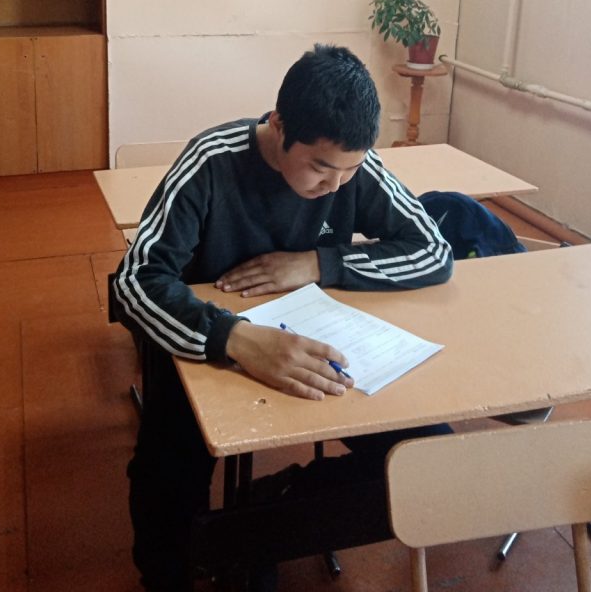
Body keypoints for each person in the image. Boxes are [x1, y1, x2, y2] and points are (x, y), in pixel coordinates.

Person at [111, 44, 452, 591]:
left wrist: (320, 262)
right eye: (319, 167)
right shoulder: (212, 161)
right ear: (278, 126)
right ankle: (172, 573)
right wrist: (237, 339)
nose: (334, 186)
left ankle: (268, 518)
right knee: (167, 472)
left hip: (316, 335)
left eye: (349, 170)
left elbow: (433, 250)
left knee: (429, 453)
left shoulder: (349, 165)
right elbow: (136, 282)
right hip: (206, 346)